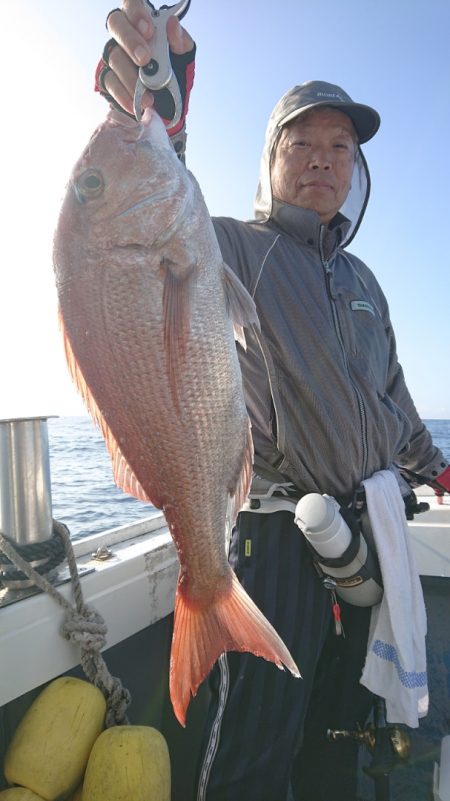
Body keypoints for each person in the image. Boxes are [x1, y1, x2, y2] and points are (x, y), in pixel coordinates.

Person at [95, 4, 450, 800]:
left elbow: (393, 398)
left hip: (363, 534)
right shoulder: (229, 245)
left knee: (337, 730)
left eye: (340, 147)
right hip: (273, 538)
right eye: (301, 143)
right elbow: (157, 190)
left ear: (355, 169)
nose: (322, 159)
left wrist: (439, 469)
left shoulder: (364, 282)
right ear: (271, 158)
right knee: (253, 751)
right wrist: (161, 89)